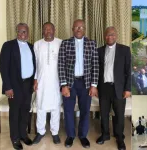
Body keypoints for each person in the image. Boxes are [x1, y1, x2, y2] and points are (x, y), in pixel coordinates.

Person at [58, 19, 99, 148]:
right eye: (76, 27)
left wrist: (94, 85)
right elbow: (61, 64)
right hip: (70, 83)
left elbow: (95, 65)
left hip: (85, 83)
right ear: (72, 28)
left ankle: (82, 136)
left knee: (85, 110)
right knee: (68, 110)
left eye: (81, 27)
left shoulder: (91, 44)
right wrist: (63, 85)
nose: (79, 29)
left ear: (84, 29)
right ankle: (70, 136)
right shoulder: (65, 43)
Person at [0, 23, 35, 149]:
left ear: (28, 33)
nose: (22, 34)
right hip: (14, 86)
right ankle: (15, 138)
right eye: (20, 31)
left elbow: (33, 65)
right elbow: (3, 67)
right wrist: (7, 87)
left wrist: (34, 82)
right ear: (16, 32)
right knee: (15, 113)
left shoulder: (31, 46)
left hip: (27, 85)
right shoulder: (8, 45)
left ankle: (23, 135)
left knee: (25, 111)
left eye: (24, 31)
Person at [96, 26, 131, 150]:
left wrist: (128, 89)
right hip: (104, 87)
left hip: (119, 88)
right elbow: (96, 71)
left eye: (112, 34)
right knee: (104, 113)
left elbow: (128, 70)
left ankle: (119, 138)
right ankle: (105, 134)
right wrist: (95, 86)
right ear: (104, 36)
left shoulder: (125, 50)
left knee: (119, 115)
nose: (109, 37)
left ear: (116, 35)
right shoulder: (99, 51)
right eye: (107, 35)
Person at [32, 22, 62, 144]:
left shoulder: (60, 43)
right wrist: (35, 79)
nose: (48, 31)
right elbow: (35, 64)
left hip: (56, 81)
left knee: (55, 107)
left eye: (50, 29)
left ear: (54, 30)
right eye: (45, 29)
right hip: (41, 81)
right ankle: (41, 131)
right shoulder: (37, 44)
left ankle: (55, 132)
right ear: (42, 31)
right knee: (40, 107)